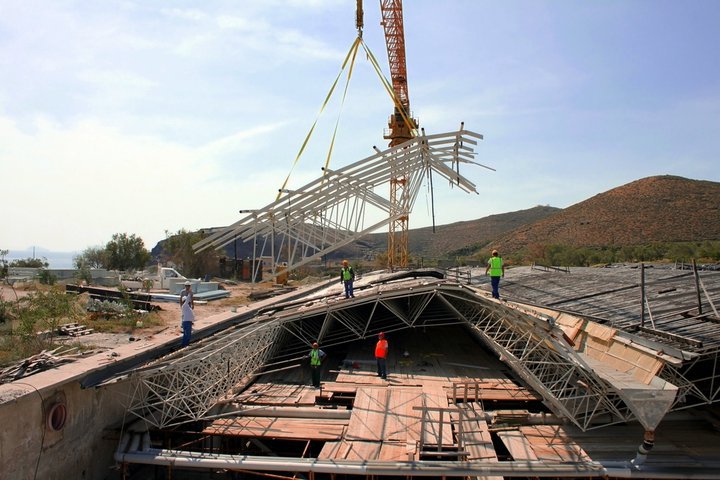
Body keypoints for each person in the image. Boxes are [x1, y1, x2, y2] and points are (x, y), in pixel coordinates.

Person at [180, 281, 195, 346]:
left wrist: (192, 304)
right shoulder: (185, 305)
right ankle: (184, 344)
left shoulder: (187, 306)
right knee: (187, 334)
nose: (187, 287)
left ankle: (186, 344)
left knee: (188, 334)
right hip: (186, 322)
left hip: (188, 321)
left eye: (188, 286)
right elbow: (186, 298)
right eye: (187, 286)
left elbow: (191, 299)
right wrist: (189, 293)